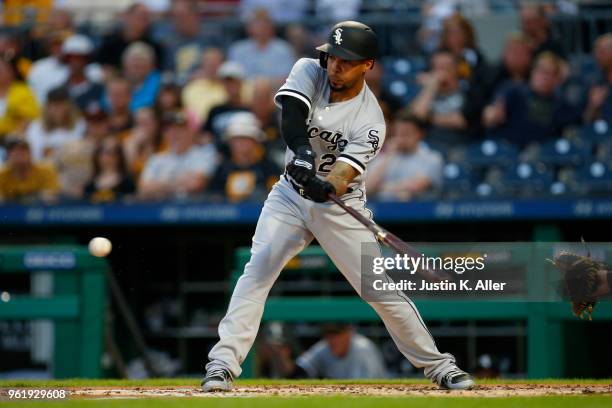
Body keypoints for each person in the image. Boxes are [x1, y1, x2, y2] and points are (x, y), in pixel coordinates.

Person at [202, 21, 474, 392]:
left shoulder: (371, 121)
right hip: (287, 196)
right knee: (258, 271)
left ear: (367, 65)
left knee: (378, 289)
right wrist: (300, 154)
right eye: (332, 58)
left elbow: (342, 176)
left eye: (346, 61)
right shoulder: (308, 70)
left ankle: (441, 367)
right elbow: (292, 115)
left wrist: (323, 183)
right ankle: (221, 366)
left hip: (338, 203)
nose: (335, 67)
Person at [482, 52, 580, 147]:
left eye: (551, 73)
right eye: (541, 70)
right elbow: (489, 115)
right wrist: (493, 115)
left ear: (558, 80)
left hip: (543, 157)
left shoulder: (562, 104)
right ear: (532, 71)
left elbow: (576, 129)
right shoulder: (513, 90)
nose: (545, 77)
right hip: (507, 153)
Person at [409, 49, 482, 148]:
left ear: (456, 69)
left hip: (460, 147)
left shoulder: (468, 92)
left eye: (446, 68)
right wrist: (431, 87)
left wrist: (429, 118)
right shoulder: (426, 93)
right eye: (437, 68)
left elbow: (460, 121)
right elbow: (416, 117)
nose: (441, 72)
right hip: (427, 147)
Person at [138, 110, 218, 200]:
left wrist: (159, 184)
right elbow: (144, 188)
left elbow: (196, 184)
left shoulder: (205, 154)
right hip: (160, 209)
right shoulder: (157, 159)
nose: (174, 134)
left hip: (194, 210)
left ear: (190, 131)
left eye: (179, 129)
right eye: (169, 130)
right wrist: (181, 182)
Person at [262, 323, 387, 379]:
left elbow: (365, 390)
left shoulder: (362, 348)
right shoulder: (324, 347)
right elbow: (298, 372)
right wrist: (282, 356)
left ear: (349, 332)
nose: (333, 339)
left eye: (337, 333)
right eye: (329, 333)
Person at [366, 112, 443, 201]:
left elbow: (417, 187)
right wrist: (389, 156)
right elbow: (367, 188)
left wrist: (379, 189)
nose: (401, 138)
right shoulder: (385, 157)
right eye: (398, 133)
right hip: (386, 212)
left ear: (420, 134)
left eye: (406, 133)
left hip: (420, 212)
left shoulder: (432, 158)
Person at [209, 112, 280, 202]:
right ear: (229, 142)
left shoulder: (269, 168)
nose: (241, 144)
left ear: (255, 141)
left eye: (245, 139)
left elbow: (276, 198)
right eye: (237, 139)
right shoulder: (222, 170)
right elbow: (214, 200)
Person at [227, 9, 296, 81]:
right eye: (257, 23)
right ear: (249, 27)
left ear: (272, 27)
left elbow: (287, 78)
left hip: (275, 90)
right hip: (244, 90)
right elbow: (233, 77)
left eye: (265, 22)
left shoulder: (284, 49)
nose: (262, 27)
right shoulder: (238, 49)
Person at [96, 2, 164, 73]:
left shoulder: (154, 47)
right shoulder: (110, 44)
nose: (141, 22)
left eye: (145, 18)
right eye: (139, 17)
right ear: (126, 16)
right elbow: (101, 67)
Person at [25, 87, 86, 161]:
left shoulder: (80, 125)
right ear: (47, 107)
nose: (57, 109)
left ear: (69, 107)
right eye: (53, 105)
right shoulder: (36, 126)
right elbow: (34, 155)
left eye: (60, 105)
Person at [202, 61, 250, 143]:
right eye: (226, 82)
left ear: (241, 83)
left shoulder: (249, 110)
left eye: (233, 81)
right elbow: (205, 136)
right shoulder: (215, 110)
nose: (230, 86)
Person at [0, 138, 58, 203]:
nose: (19, 155)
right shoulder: (2, 174)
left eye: (23, 151)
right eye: (15, 152)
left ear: (30, 154)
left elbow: (51, 198)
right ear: (7, 156)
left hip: (39, 210)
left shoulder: (46, 170)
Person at [182, 47, 227, 124]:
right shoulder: (192, 88)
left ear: (224, 64)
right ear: (202, 65)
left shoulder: (231, 86)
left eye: (215, 63)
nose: (212, 67)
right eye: (208, 63)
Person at [0, 52, 40, 138]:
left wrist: (13, 136)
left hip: (15, 140)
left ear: (12, 71)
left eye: (1, 69)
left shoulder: (24, 91)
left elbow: (29, 119)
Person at [60, 34, 105, 111]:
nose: (75, 63)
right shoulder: (59, 91)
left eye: (80, 58)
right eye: (71, 58)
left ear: (87, 60)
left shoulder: (100, 90)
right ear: (66, 61)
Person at [84, 137, 135, 202]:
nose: (108, 157)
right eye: (103, 152)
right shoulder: (89, 186)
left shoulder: (128, 183)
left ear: (120, 156)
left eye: (114, 152)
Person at [486, 33, 534, 102]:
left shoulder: (536, 77)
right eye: (514, 51)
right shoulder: (490, 76)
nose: (517, 56)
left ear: (530, 56)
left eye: (522, 52)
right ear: (504, 54)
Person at [122, 107, 164, 178]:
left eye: (145, 123)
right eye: (138, 123)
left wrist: (149, 145)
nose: (141, 127)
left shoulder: (164, 141)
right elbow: (124, 174)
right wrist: (133, 146)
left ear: (156, 124)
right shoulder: (127, 139)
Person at [121, 42, 161, 112]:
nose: (137, 64)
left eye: (141, 61)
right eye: (133, 61)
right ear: (125, 65)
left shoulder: (159, 82)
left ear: (151, 65)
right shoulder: (119, 80)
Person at [583, 33, 612, 123]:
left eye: (602, 52)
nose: (597, 56)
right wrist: (593, 106)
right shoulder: (594, 82)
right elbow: (586, 121)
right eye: (596, 52)